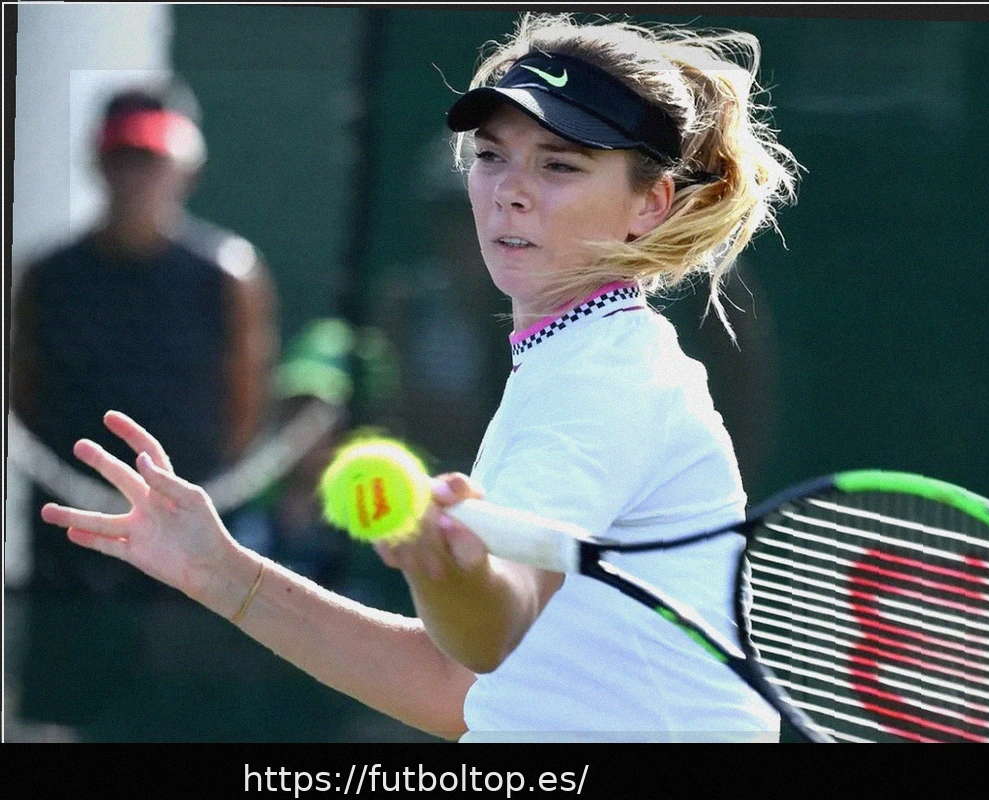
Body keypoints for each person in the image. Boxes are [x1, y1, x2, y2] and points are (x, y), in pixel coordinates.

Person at [38, 14, 800, 741]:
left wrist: (447, 571)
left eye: (560, 164)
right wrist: (222, 573)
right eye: (493, 156)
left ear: (650, 204)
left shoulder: (604, 379)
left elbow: (492, 628)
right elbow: (454, 690)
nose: (510, 189)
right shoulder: (574, 357)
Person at [10, 87, 279, 731]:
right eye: (123, 158)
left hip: (187, 543)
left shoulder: (229, 275)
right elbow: (25, 390)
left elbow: (244, 406)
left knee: (175, 713)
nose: (136, 177)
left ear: (186, 169)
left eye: (152, 160)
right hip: (70, 546)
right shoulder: (47, 275)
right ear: (99, 164)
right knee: (71, 710)